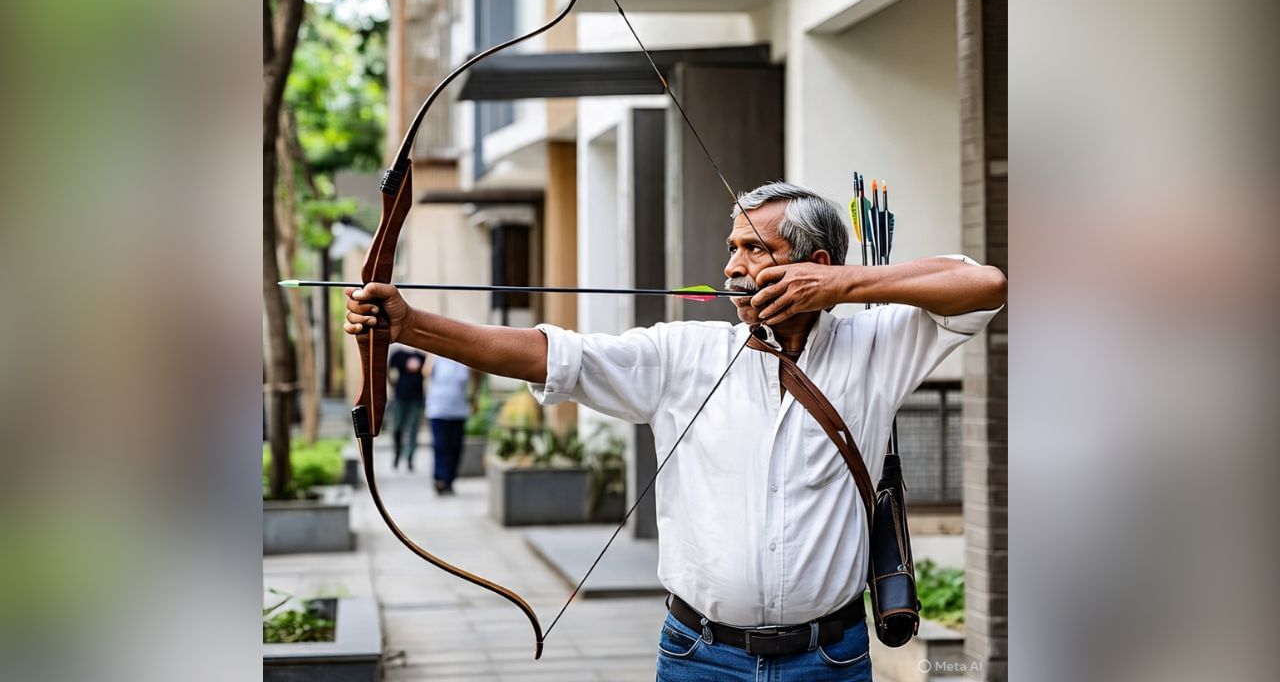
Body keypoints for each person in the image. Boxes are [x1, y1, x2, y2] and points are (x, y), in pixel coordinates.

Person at [344, 182, 1006, 681]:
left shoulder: (878, 342)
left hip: (829, 657)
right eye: (732, 249)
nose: (731, 267)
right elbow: (549, 355)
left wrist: (845, 286)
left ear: (814, 263)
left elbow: (985, 283)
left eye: (754, 248)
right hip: (700, 656)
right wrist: (411, 326)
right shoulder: (682, 353)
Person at [424, 355, 480, 495]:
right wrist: (432, 354)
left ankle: (449, 480)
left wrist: (474, 397)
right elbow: (425, 371)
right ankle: (440, 479)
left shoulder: (464, 358)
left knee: (455, 447)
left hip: (458, 410)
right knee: (440, 445)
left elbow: (478, 375)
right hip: (437, 410)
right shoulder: (435, 356)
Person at [387, 344, 426, 471]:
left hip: (416, 397)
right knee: (397, 427)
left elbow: (427, 371)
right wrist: (393, 385)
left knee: (413, 429)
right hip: (400, 396)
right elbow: (390, 372)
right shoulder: (398, 355)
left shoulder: (421, 356)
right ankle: (398, 453)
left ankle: (410, 458)